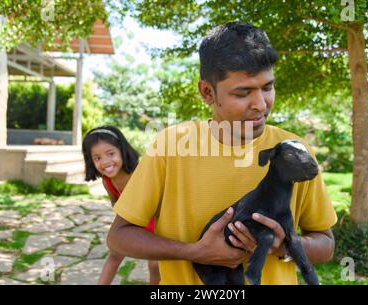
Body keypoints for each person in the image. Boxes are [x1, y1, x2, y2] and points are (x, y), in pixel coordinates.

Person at [107, 22, 337, 284]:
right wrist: (195, 252)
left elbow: (325, 243)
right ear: (207, 92)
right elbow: (118, 237)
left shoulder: (294, 151)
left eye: (267, 87)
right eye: (243, 93)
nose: (261, 105)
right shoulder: (170, 146)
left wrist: (283, 246)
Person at [82, 125, 160, 285]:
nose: (105, 162)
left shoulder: (139, 172)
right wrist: (123, 232)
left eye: (110, 154)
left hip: (155, 220)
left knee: (155, 265)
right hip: (131, 221)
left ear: (122, 151)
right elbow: (116, 205)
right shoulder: (108, 181)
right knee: (115, 254)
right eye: (97, 158)